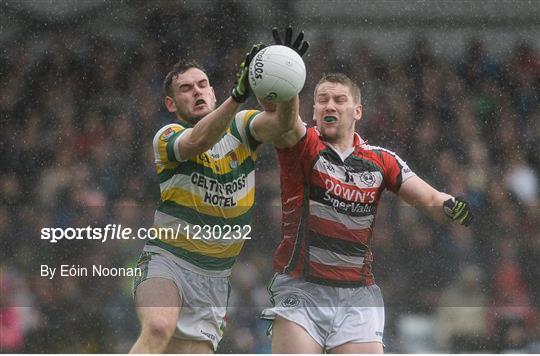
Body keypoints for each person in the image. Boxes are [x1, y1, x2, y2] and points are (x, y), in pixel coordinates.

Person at [262, 72, 473, 353]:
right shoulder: (303, 146)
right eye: (322, 100)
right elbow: (286, 122)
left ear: (357, 111)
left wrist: (452, 207)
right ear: (313, 110)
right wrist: (288, 77)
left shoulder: (381, 160)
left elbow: (432, 199)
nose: (330, 106)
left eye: (339, 99)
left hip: (357, 297)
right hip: (301, 290)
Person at [129, 29, 309, 354]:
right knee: (158, 328)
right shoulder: (167, 136)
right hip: (167, 261)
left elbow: (286, 125)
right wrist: (238, 95)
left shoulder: (242, 126)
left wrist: (288, 76)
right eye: (185, 89)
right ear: (171, 103)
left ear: (212, 92)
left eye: (201, 85)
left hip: (213, 278)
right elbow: (199, 141)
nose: (196, 92)